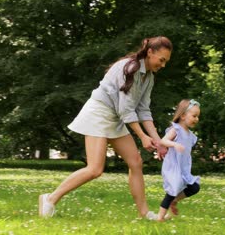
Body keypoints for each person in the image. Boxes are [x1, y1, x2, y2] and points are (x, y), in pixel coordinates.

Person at [39, 36, 173, 220]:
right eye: (162, 60)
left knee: (136, 162)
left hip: (116, 117)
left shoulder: (148, 77)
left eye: (166, 61)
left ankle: (145, 214)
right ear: (150, 52)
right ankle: (50, 198)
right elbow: (126, 108)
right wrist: (142, 136)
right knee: (95, 169)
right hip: (99, 114)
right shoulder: (129, 67)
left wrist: (157, 140)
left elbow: (143, 109)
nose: (163, 65)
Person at [156, 99, 201, 222]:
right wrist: (174, 145)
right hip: (173, 166)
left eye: (198, 116)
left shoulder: (190, 135)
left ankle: (174, 201)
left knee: (194, 187)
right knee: (172, 190)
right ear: (182, 115)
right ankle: (160, 217)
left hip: (183, 168)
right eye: (194, 116)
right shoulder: (176, 129)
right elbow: (163, 141)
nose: (196, 119)